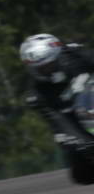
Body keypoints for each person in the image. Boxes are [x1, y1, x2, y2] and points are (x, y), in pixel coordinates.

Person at [19, 33, 94, 184]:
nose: (46, 71)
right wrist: (79, 142)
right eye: (40, 68)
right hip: (80, 122)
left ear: (59, 56)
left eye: (49, 65)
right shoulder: (38, 95)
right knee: (81, 173)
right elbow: (58, 122)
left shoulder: (78, 55)